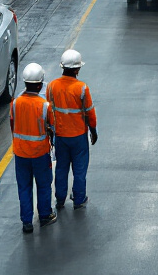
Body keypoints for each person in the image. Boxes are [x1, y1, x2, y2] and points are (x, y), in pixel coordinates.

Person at [45, 49, 98, 211]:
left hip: (60, 136)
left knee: (61, 168)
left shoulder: (52, 86)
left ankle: (60, 199)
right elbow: (90, 113)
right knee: (79, 170)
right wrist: (93, 131)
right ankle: (79, 199)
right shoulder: (82, 88)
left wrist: (51, 132)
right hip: (78, 137)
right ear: (76, 69)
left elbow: (48, 111)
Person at [10, 63, 56, 233]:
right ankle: (44, 216)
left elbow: (12, 124)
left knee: (24, 187)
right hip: (40, 153)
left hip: (20, 153)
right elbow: (52, 127)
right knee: (43, 185)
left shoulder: (15, 103)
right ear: (40, 84)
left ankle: (27, 222)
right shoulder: (44, 105)